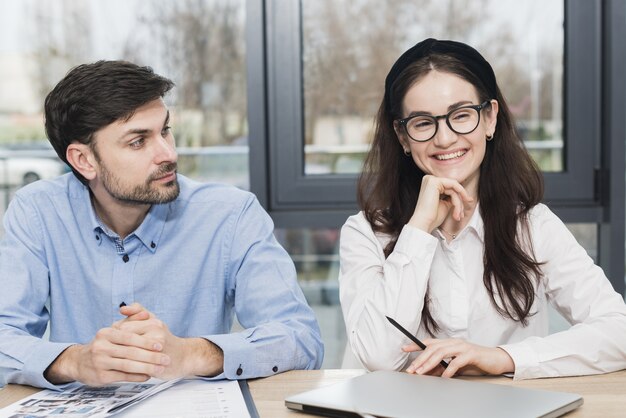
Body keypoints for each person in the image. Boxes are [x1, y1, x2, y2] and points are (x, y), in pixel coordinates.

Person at [0, 60, 323, 389]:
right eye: (138, 141)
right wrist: (75, 361)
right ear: (84, 160)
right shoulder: (37, 212)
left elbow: (300, 339)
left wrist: (190, 354)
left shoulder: (231, 214)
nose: (168, 154)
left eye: (165, 130)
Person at [339, 38, 626, 380]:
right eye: (422, 122)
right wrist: (418, 229)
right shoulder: (365, 233)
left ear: (489, 119)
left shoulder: (532, 226)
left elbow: (617, 331)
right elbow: (378, 356)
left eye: (461, 116)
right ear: (402, 136)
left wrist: (504, 357)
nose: (444, 139)